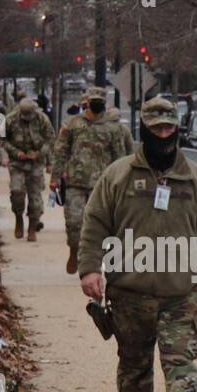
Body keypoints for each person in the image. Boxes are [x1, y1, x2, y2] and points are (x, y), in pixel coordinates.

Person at [76, 96, 197, 392]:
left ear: (177, 130)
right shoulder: (118, 176)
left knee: (182, 363)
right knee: (134, 364)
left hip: (182, 292)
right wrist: (90, 268)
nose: (163, 134)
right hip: (130, 292)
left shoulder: (196, 179)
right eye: (156, 127)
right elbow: (95, 222)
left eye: (169, 127)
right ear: (143, 129)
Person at [51, 86, 129, 275]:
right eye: (93, 102)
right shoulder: (73, 124)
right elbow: (61, 150)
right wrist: (55, 176)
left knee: (104, 225)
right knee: (74, 223)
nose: (96, 105)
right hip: (75, 182)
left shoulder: (113, 128)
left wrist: (123, 182)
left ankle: (100, 261)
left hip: (103, 186)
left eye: (99, 102)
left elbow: (120, 157)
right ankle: (74, 250)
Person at [1, 97, 55, 241]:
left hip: (36, 163)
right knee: (17, 191)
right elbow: (2, 139)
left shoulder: (42, 119)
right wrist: (14, 153)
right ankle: (18, 218)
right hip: (17, 163)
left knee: (35, 198)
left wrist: (40, 154)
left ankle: (32, 228)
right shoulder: (10, 119)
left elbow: (50, 139)